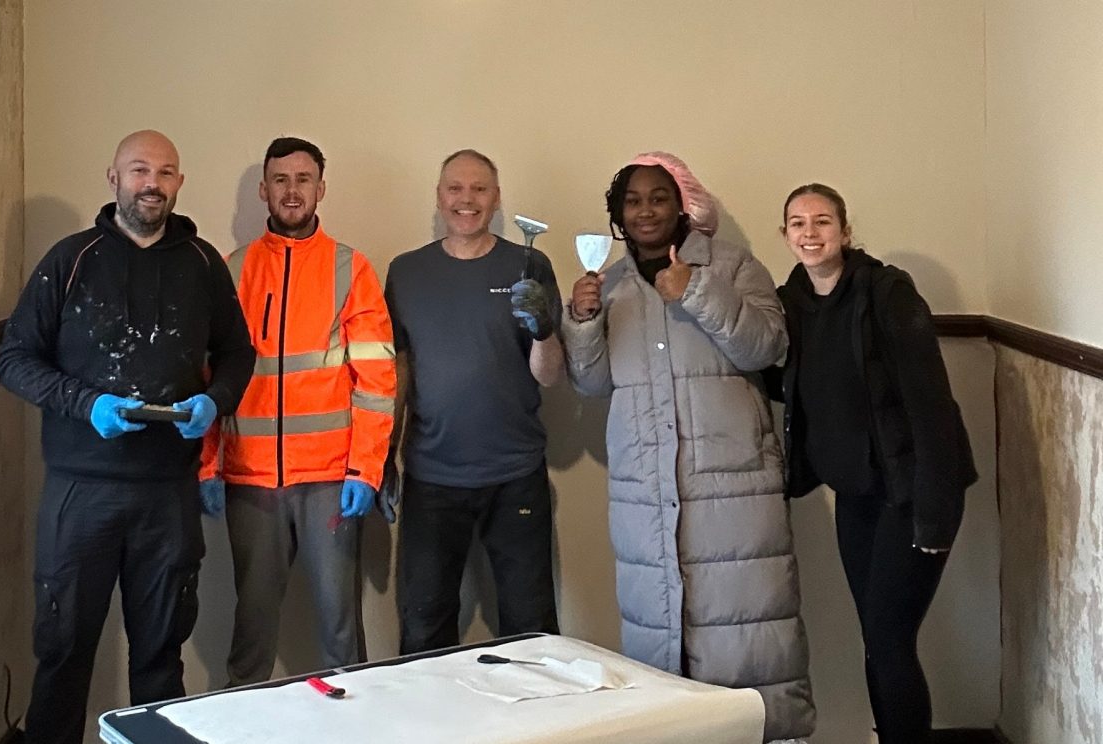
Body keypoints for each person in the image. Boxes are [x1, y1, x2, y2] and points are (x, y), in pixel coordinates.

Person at [0, 130, 254, 744]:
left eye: (166, 173)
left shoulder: (202, 264)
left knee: (160, 662)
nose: (153, 184)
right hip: (80, 492)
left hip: (166, 495)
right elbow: (14, 360)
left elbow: (239, 352)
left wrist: (214, 403)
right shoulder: (71, 259)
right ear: (113, 179)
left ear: (179, 183)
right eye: (139, 170)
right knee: (62, 654)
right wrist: (87, 405)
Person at [562, 152, 815, 743]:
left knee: (753, 644)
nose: (647, 210)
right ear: (617, 216)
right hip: (645, 497)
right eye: (633, 201)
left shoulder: (731, 266)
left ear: (682, 206)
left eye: (659, 197)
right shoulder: (615, 284)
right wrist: (581, 321)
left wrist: (695, 290)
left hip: (732, 493)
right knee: (662, 657)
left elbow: (766, 346)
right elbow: (595, 382)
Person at [774, 183, 975, 744]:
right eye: (797, 223)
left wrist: (935, 518)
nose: (810, 233)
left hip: (912, 494)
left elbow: (933, 407)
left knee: (889, 639)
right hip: (856, 495)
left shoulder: (887, 294)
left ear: (845, 230)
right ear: (785, 234)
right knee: (877, 637)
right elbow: (780, 377)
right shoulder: (790, 301)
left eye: (822, 221)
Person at [198, 137, 396, 685]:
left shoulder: (350, 269)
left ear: (320, 189)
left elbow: (377, 381)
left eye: (303, 179)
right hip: (250, 481)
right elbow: (210, 379)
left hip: (331, 480)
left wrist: (366, 469)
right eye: (280, 180)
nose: (292, 191)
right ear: (264, 189)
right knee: (252, 632)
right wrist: (208, 465)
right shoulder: (232, 270)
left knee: (340, 633)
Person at [384, 149, 564, 655]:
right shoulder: (407, 272)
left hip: (515, 473)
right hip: (432, 477)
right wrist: (384, 456)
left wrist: (544, 329)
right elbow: (400, 373)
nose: (467, 200)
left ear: (497, 198)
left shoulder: (529, 264)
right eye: (455, 189)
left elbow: (549, 376)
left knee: (532, 631)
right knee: (423, 628)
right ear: (440, 197)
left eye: (480, 189)